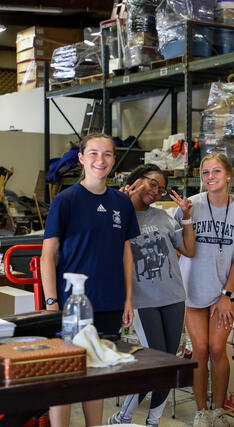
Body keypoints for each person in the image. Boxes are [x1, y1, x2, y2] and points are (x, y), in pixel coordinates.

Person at [41, 133, 140, 427]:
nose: (101, 160)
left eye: (107, 154)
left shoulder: (122, 202)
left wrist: (128, 299)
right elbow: (48, 256)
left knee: (96, 374)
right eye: (94, 153)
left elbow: (126, 253)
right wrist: (51, 303)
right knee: (66, 377)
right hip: (71, 306)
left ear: (113, 161)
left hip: (109, 302)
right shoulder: (65, 201)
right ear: (82, 158)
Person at [175, 153, 234, 427]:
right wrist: (185, 218)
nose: (210, 177)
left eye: (216, 172)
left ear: (228, 177)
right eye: (205, 173)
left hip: (224, 291)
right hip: (193, 288)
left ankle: (220, 411)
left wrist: (226, 295)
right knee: (199, 349)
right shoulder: (191, 206)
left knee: (216, 348)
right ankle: (202, 411)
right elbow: (174, 242)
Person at [107, 164, 195, 426]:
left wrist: (187, 217)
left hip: (174, 297)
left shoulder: (163, 217)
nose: (156, 191)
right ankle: (122, 418)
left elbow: (188, 250)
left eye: (161, 188)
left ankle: (153, 421)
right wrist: (118, 204)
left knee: (168, 364)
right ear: (136, 180)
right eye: (152, 184)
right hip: (143, 301)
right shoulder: (117, 215)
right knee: (153, 361)